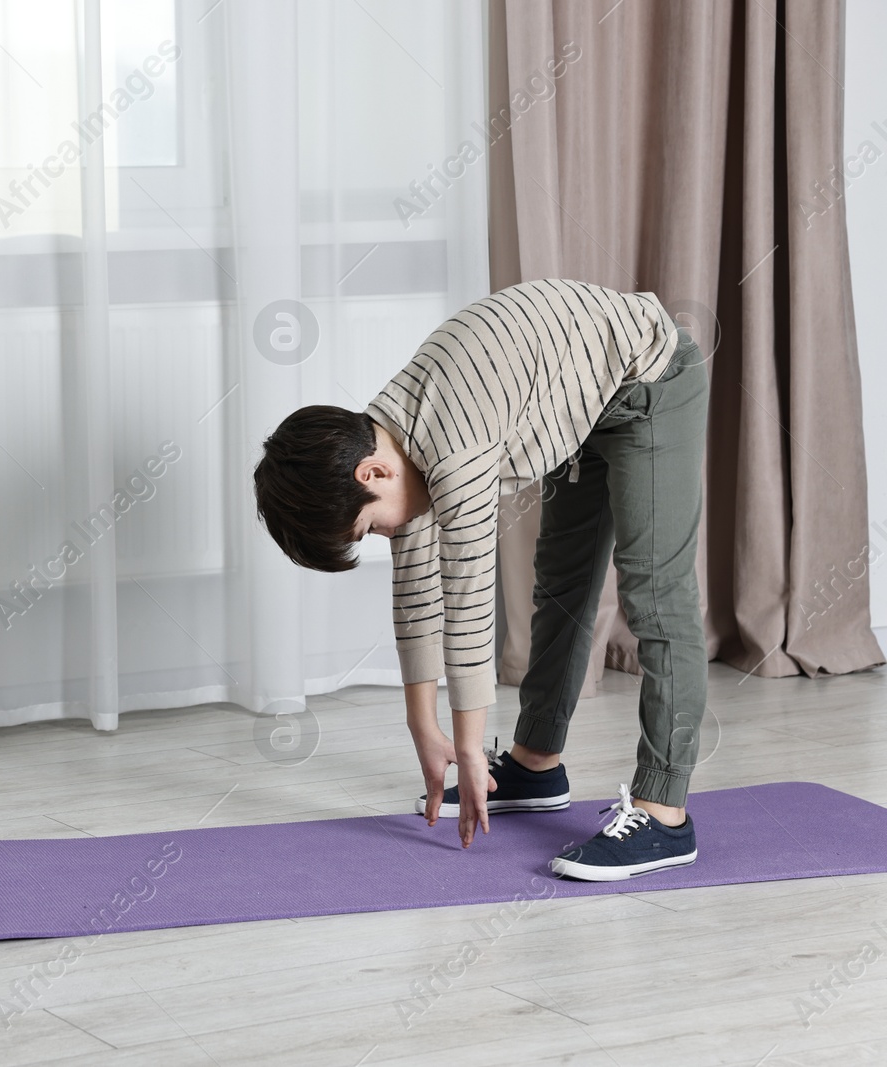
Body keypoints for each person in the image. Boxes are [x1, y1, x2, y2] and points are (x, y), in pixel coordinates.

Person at [252, 278, 710, 881]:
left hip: (651, 377)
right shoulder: (394, 437)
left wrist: (468, 747)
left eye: (367, 530)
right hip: (589, 404)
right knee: (561, 587)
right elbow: (418, 596)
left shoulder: (451, 445)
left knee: (654, 595)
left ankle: (666, 811)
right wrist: (424, 726)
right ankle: (537, 764)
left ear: (372, 472)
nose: (382, 539)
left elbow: (468, 602)